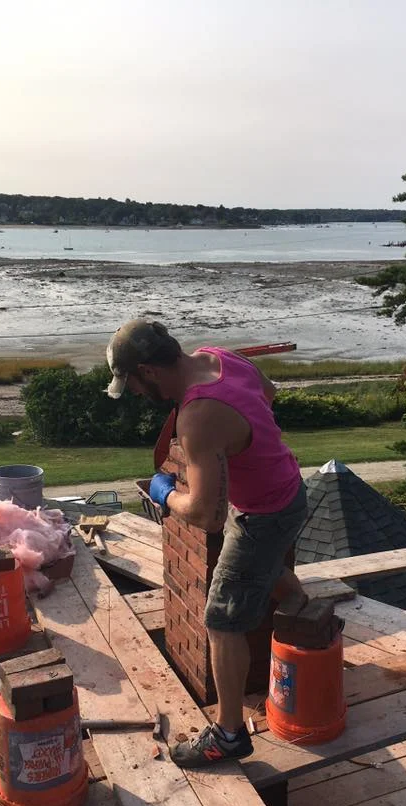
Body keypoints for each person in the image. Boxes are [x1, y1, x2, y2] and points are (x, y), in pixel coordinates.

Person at [106, 319, 308, 767]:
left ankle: (229, 734)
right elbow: (268, 393)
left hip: (265, 513)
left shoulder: (197, 416)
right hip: (289, 487)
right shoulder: (221, 357)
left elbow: (206, 515)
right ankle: (302, 608)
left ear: (148, 371)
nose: (135, 392)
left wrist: (163, 493)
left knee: (221, 618)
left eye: (133, 383)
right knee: (261, 565)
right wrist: (242, 443)